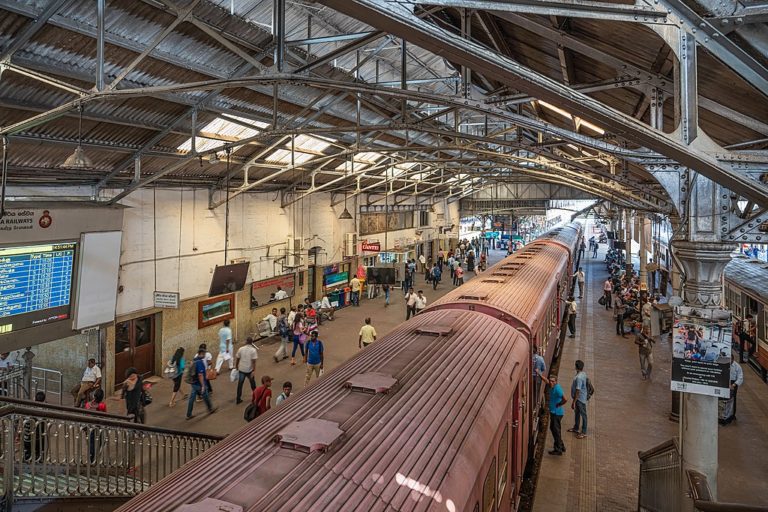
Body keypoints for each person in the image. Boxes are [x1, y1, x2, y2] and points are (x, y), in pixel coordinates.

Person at [186, 348, 216, 420]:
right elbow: (200, 375)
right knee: (205, 395)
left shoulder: (194, 360)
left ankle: (188, 414)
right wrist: (203, 385)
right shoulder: (200, 362)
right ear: (201, 353)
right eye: (204, 354)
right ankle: (210, 409)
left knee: (192, 398)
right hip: (199, 384)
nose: (205, 355)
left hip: (193, 383)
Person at [542, 374, 566, 455]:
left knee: (556, 431)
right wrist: (538, 373)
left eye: (553, 381)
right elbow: (546, 380)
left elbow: (565, 399)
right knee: (554, 429)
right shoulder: (551, 385)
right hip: (553, 412)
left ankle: (558, 449)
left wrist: (559, 404)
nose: (551, 382)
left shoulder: (557, 389)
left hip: (557, 413)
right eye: (550, 381)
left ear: (556, 382)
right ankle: (561, 446)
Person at [23, 391, 47, 462]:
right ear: (44, 400)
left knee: (27, 451)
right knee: (40, 450)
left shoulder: (28, 408)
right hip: (38, 436)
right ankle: (39, 461)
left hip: (27, 436)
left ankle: (26, 460)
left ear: (34, 399)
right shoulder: (45, 410)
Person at [720, 357, 744, 425]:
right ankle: (722, 415)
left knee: (732, 399)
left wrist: (733, 385)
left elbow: (740, 377)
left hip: (733, 383)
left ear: (733, 360)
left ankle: (731, 415)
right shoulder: (724, 364)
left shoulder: (737, 366)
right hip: (724, 381)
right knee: (723, 398)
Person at [235, 336, 258, 404]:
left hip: (241, 369)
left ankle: (238, 399)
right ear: (252, 342)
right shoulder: (253, 350)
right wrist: (253, 370)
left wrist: (236, 366)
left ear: (246, 342)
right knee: (253, 384)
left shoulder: (241, 349)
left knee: (240, 384)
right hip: (249, 370)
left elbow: (238, 358)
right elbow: (253, 361)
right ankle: (256, 397)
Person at [568, 360, 588, 439]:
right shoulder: (583, 373)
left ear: (576, 367)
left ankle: (584, 432)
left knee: (583, 415)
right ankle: (576, 427)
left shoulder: (579, 377)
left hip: (580, 399)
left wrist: (574, 401)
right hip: (580, 398)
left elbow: (578, 390)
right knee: (577, 413)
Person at [85, 389, 106, 463]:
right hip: (98, 425)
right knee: (101, 440)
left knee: (91, 441)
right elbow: (104, 415)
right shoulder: (102, 405)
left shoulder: (88, 404)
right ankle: (95, 455)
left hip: (90, 425)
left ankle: (91, 456)